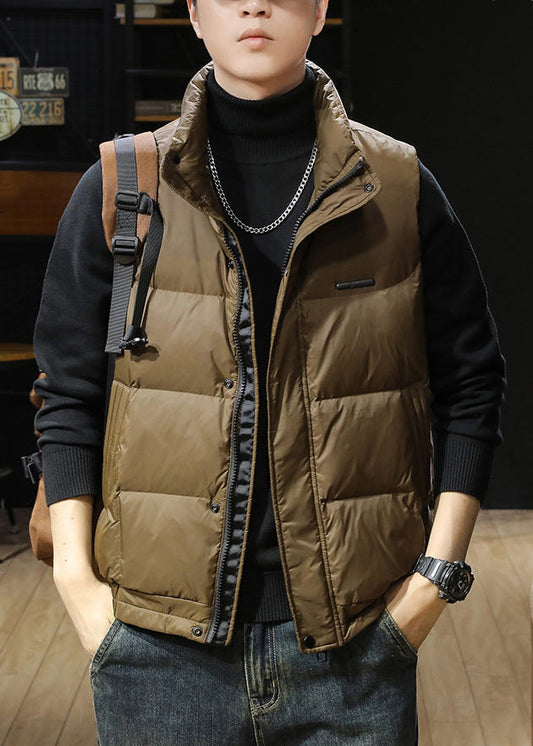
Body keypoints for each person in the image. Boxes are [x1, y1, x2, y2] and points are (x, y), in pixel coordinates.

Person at [32, 0, 506, 743]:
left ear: (320, 11)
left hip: (355, 647)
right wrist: (78, 587)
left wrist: (432, 583)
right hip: (156, 648)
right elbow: (68, 392)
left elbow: (471, 383)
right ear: (194, 14)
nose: (254, 4)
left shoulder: (397, 185)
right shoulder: (123, 187)